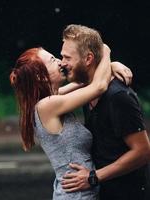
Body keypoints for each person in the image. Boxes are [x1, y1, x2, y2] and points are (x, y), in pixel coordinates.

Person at [9, 43, 132, 199]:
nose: (61, 62)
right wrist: (104, 51)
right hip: (77, 196)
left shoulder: (54, 97)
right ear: (40, 76)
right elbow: (98, 86)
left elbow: (86, 81)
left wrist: (112, 66)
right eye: (53, 60)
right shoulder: (47, 105)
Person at [60, 24, 150, 200]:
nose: (62, 63)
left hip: (128, 194)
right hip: (105, 192)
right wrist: (110, 62)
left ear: (88, 59)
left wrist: (94, 176)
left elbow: (143, 152)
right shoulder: (89, 89)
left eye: (67, 57)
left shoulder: (118, 96)